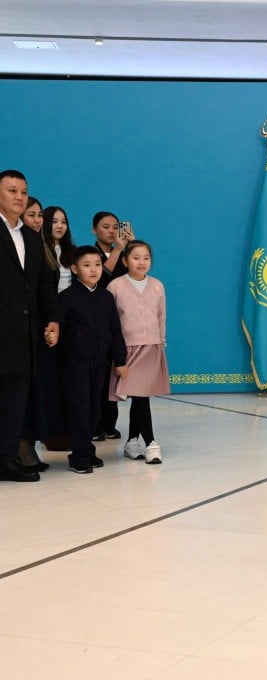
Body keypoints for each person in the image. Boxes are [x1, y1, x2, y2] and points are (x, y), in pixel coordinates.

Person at [0, 170, 60, 483]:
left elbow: (42, 287)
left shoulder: (32, 238)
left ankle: (7, 460)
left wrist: (52, 318)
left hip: (23, 338)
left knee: (15, 402)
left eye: (23, 191)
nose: (19, 197)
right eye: (12, 191)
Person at [59, 245, 127, 474]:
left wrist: (120, 360)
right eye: (87, 265)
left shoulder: (106, 297)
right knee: (78, 408)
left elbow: (115, 331)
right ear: (75, 269)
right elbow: (61, 333)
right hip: (75, 364)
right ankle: (79, 455)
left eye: (98, 264)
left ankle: (87, 449)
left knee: (94, 409)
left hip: (100, 364)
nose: (94, 269)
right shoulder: (66, 298)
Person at [107, 240, 169, 464]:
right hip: (127, 350)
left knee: (141, 398)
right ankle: (149, 443)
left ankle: (136, 441)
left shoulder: (157, 286)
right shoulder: (115, 286)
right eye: (136, 258)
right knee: (139, 398)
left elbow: (161, 316)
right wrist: (116, 354)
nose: (141, 262)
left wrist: (160, 342)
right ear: (125, 261)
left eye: (146, 258)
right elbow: (112, 323)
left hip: (151, 348)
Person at [17, 197, 62, 472]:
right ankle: (18, 448)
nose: (36, 220)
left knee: (37, 393)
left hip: (40, 334)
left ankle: (27, 445)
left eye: (38, 215)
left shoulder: (42, 249)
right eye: (30, 215)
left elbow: (48, 293)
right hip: (17, 332)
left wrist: (52, 322)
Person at [91, 211, 134, 441]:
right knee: (97, 375)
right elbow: (100, 278)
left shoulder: (125, 252)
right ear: (94, 230)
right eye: (105, 226)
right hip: (97, 319)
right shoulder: (90, 254)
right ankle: (95, 425)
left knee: (115, 375)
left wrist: (130, 247)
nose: (111, 231)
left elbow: (135, 275)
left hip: (122, 320)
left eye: (115, 227)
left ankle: (109, 424)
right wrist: (117, 250)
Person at [43, 206, 76, 293]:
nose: (60, 226)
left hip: (70, 302)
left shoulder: (72, 250)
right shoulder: (40, 249)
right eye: (54, 222)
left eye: (64, 222)